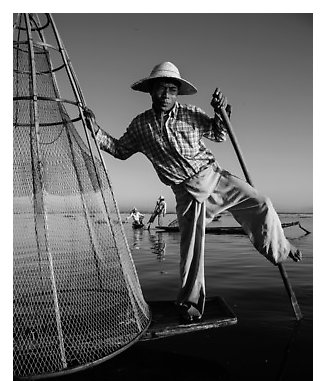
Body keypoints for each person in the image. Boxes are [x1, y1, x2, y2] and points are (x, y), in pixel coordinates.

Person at [85, 61, 302, 324]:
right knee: (190, 252)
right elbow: (119, 150)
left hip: (213, 178)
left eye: (172, 89)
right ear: (151, 91)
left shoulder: (190, 113)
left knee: (261, 203)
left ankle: (281, 247)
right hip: (185, 193)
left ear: (177, 93)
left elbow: (218, 134)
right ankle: (190, 303)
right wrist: (95, 130)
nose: (166, 94)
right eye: (161, 89)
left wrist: (222, 115)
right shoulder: (141, 126)